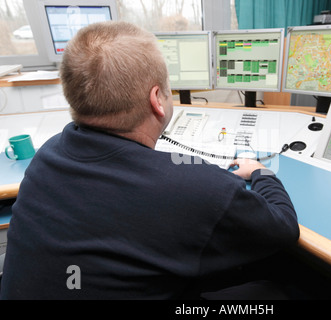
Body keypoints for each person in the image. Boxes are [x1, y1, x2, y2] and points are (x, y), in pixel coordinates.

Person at [0, 21, 299, 299]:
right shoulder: (195, 186)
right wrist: (262, 172)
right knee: (272, 292)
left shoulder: (46, 156)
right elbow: (284, 229)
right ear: (157, 99)